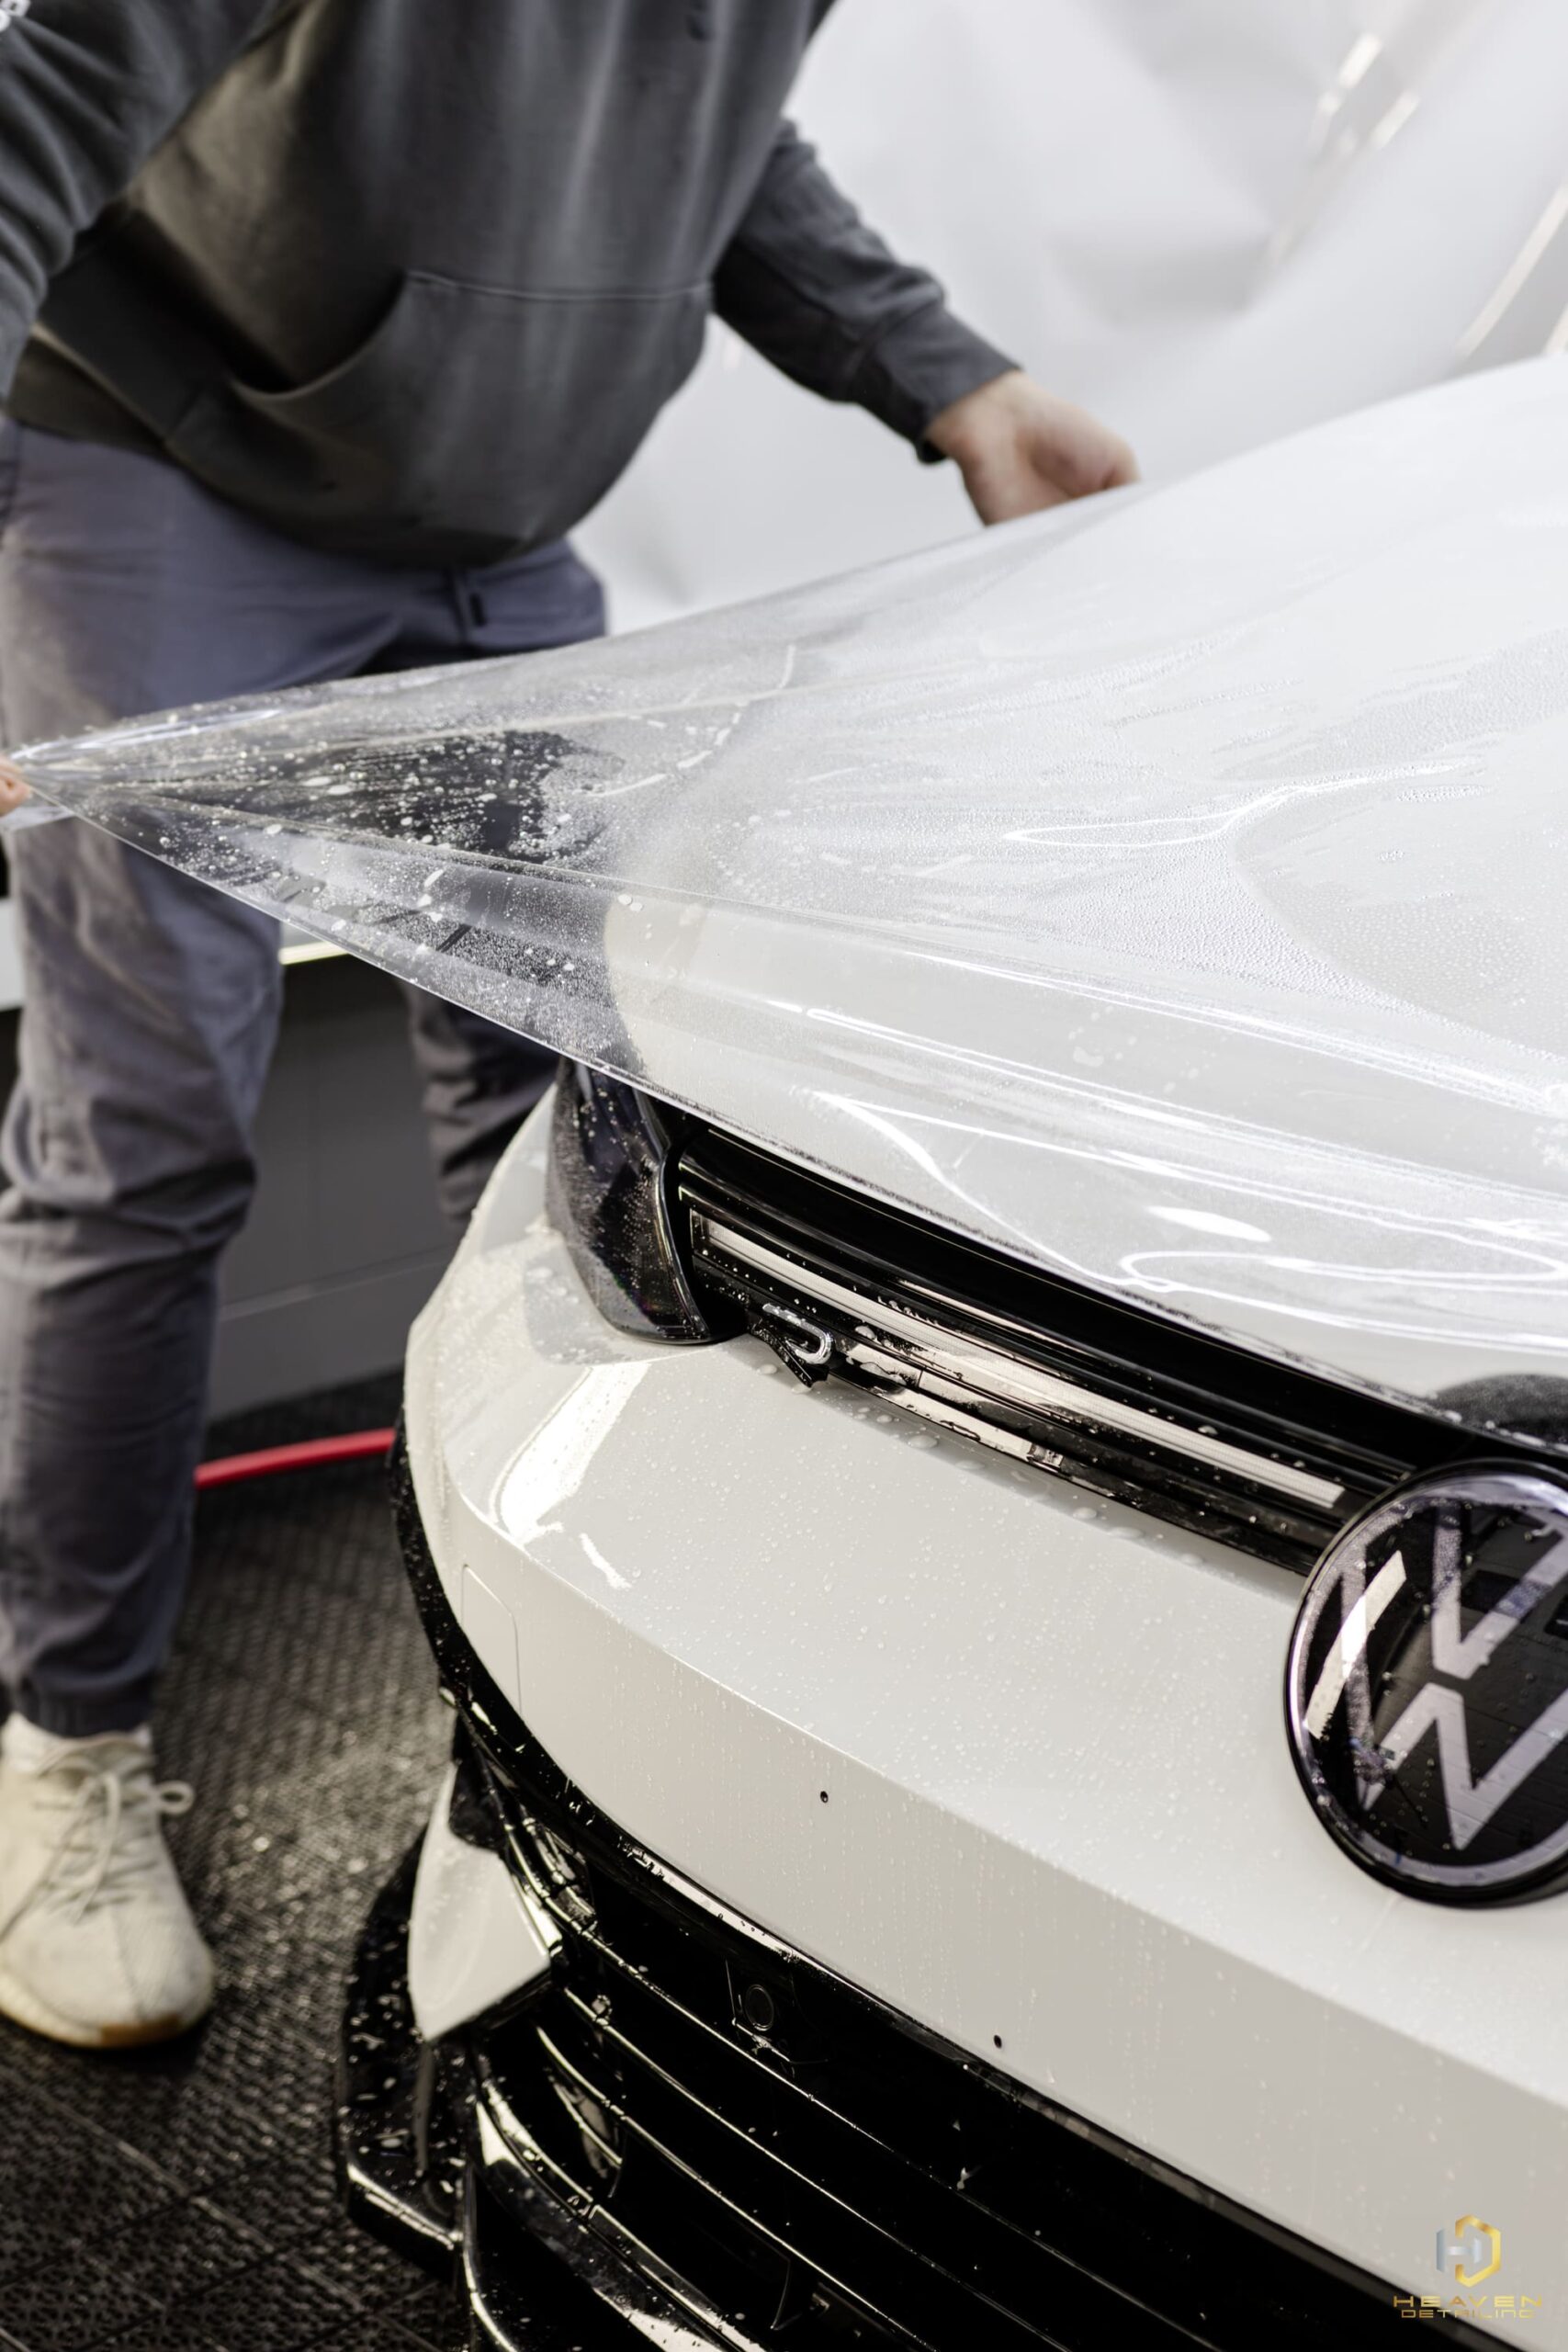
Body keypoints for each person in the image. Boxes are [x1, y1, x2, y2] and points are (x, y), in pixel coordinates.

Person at [0, 0, 1136, 2050]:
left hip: (490, 531)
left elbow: (709, 129)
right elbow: (45, 94)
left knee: (563, 1136)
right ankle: (67, 1749)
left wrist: (948, 377)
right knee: (145, 1140)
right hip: (175, 475)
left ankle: (552, 1717)